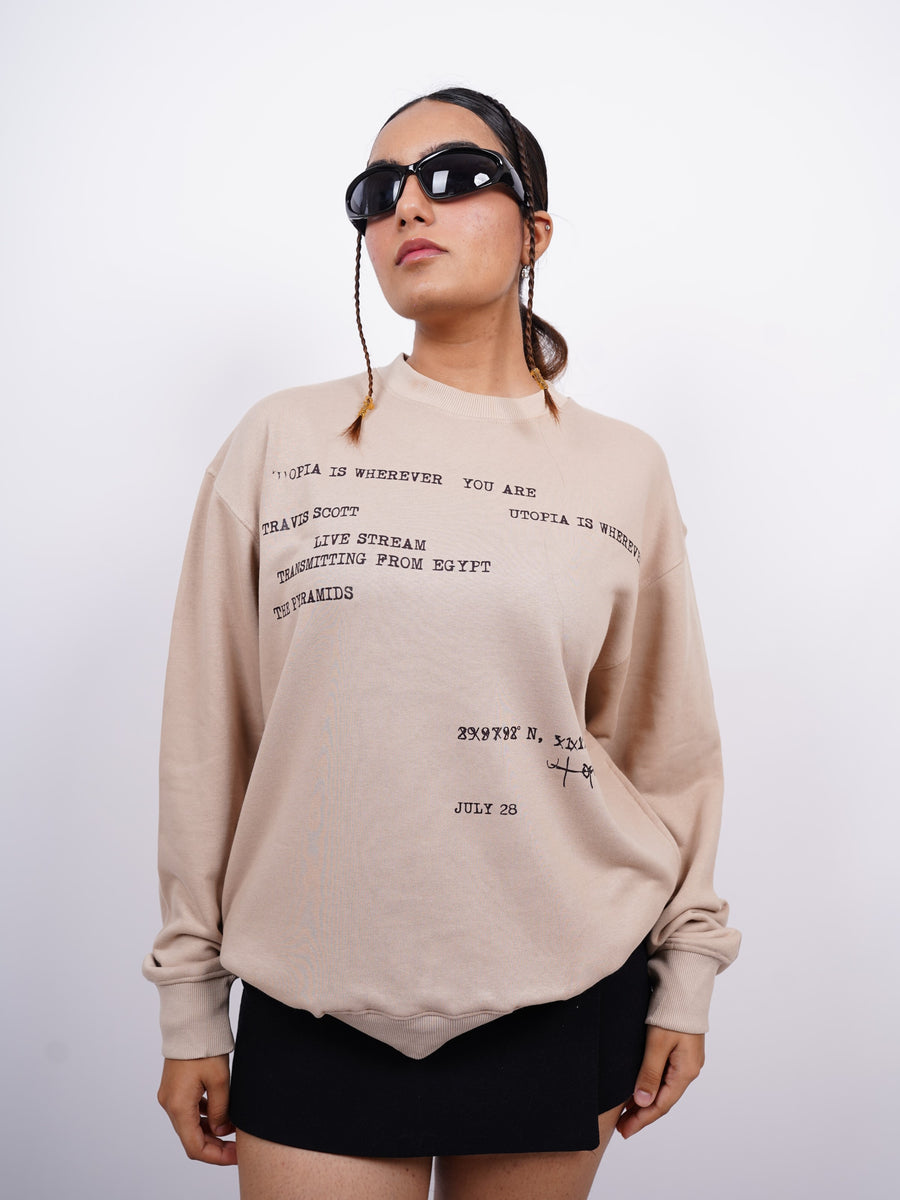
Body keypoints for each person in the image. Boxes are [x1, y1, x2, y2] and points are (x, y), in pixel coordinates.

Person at [144, 86, 740, 1200]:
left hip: (563, 982)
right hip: (315, 988)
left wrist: (688, 976)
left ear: (535, 232)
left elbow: (666, 751)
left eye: (457, 177)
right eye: (379, 192)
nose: (409, 206)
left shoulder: (625, 469)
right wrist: (190, 1002)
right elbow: (206, 739)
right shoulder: (282, 440)